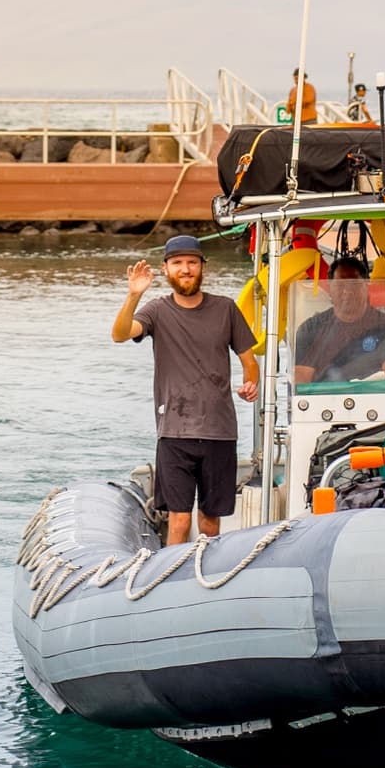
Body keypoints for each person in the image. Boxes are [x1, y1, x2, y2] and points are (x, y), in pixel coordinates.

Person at [112, 233, 258, 544]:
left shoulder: (226, 309)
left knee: (210, 522)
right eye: (177, 263)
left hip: (220, 431)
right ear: (166, 269)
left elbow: (249, 360)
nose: (186, 269)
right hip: (174, 432)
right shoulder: (155, 310)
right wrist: (133, 296)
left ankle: (207, 580)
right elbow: (120, 335)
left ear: (203, 267)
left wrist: (250, 383)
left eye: (192, 262)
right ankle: (170, 583)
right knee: (178, 520)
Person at [293, 255, 385, 387]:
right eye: (340, 285)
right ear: (330, 288)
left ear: (366, 286)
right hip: (324, 402)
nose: (347, 291)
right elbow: (301, 379)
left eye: (354, 284)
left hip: (374, 402)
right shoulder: (310, 329)